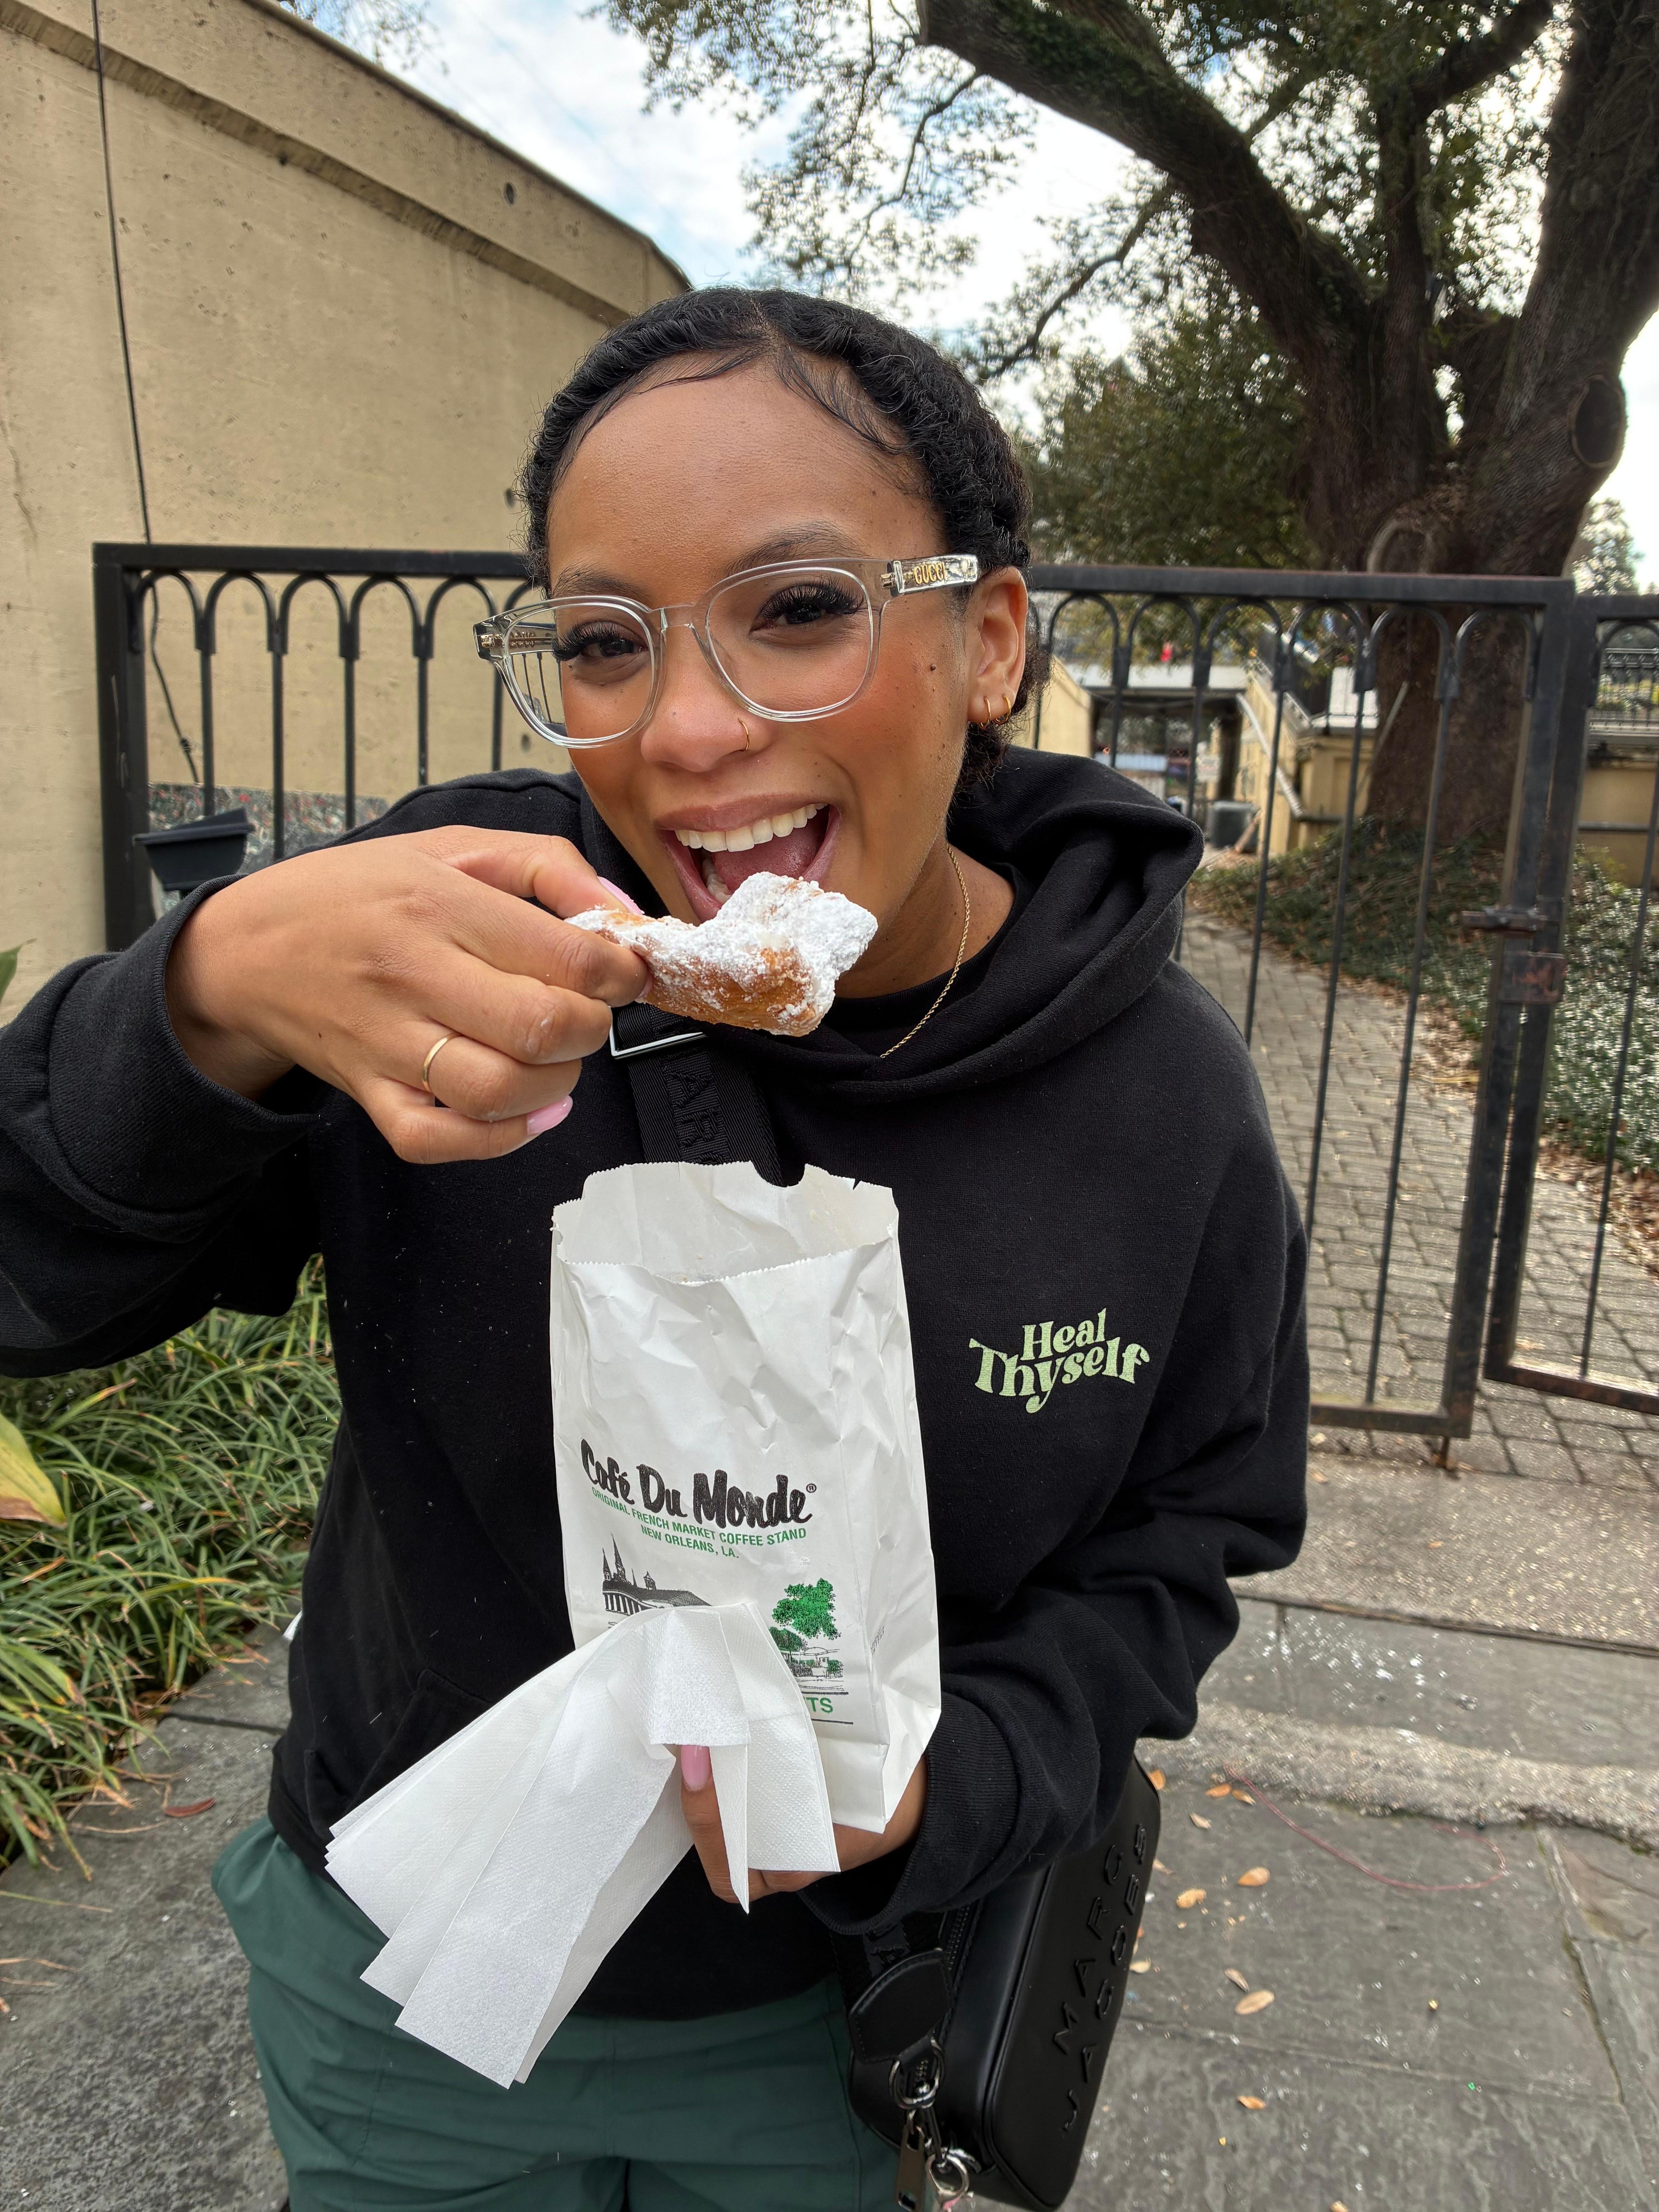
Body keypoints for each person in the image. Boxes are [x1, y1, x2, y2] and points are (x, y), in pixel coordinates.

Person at [0, 290, 1307, 2210]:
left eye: (800, 610)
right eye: (605, 641)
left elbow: (1186, 1542)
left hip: (834, 2020)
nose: (690, 730)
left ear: (989, 640)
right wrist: (203, 998)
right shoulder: (464, 948)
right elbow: (33, 1278)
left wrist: (958, 1778)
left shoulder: (1158, 1101)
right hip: (403, 1985)